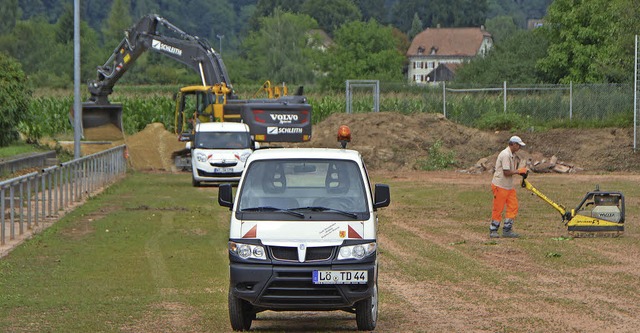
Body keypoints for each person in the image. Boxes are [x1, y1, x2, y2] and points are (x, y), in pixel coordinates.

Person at [490, 135, 528, 238]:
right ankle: (493, 230)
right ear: (514, 144)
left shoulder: (511, 154)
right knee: (498, 208)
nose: (519, 147)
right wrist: (519, 171)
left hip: (508, 186)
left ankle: (507, 229)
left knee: (513, 206)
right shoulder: (505, 155)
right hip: (500, 185)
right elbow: (506, 172)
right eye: (519, 145)